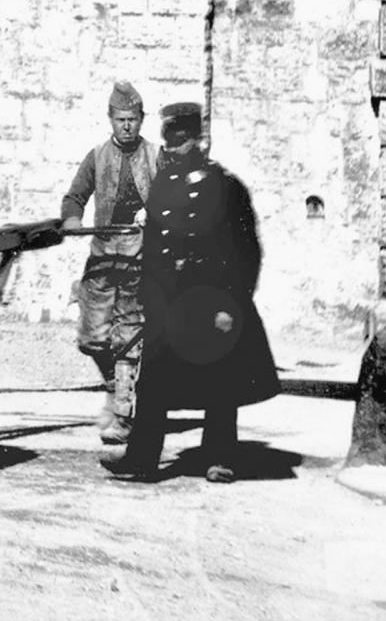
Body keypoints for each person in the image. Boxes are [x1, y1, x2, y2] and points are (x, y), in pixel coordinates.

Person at [103, 103, 280, 485]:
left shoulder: (227, 186)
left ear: (199, 140)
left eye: (181, 140)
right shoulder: (164, 186)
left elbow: (248, 251)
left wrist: (233, 303)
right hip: (170, 303)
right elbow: (154, 246)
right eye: (169, 140)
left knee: (221, 381)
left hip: (214, 300)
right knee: (153, 383)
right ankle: (142, 458)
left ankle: (220, 457)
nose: (173, 147)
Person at [58, 82, 156, 446]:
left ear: (141, 120)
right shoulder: (96, 157)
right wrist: (72, 221)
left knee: (128, 338)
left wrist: (155, 215)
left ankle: (123, 416)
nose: (127, 126)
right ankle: (117, 391)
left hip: (138, 260)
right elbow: (74, 197)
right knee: (93, 338)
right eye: (120, 119)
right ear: (110, 120)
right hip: (102, 258)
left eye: (132, 119)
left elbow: (168, 205)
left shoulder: (155, 157)